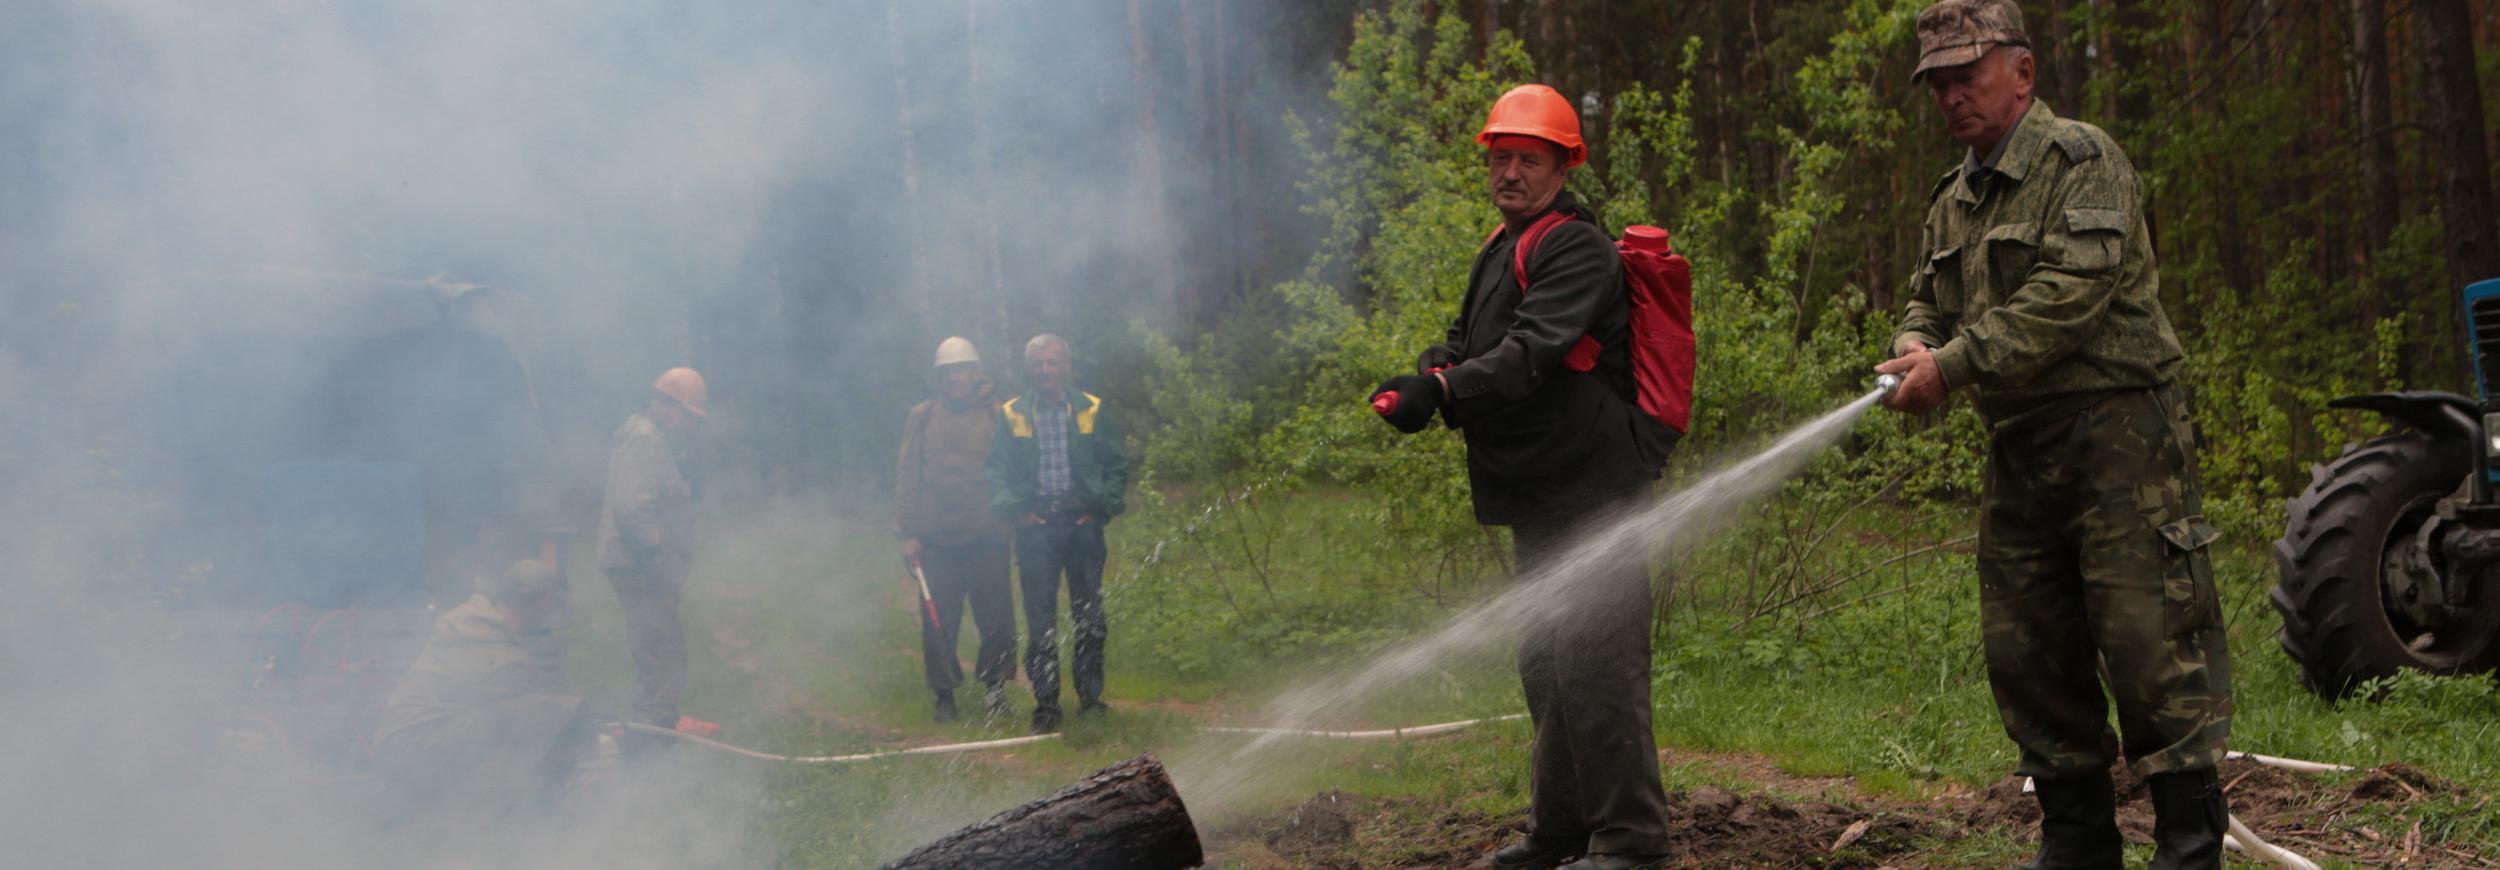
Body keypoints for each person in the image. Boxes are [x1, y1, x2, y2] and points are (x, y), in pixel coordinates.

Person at [1875, 3, 2233, 867]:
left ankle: (2189, 850)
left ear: (2022, 71)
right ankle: (2076, 845)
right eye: (1938, 83)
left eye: (1968, 75)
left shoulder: (2083, 160)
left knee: (2150, 646)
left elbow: (2070, 295)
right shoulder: (1953, 197)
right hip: (2020, 445)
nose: (1951, 96)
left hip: (2119, 438)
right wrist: (1915, 342)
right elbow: (1928, 298)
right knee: (2030, 652)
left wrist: (1952, 366)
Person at [1372, 84, 1676, 870]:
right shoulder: (1501, 243)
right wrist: (1437, 366)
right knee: (1546, 665)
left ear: (1564, 165)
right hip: (1543, 490)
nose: (1510, 172)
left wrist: (1444, 391)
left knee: (1597, 665)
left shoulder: (1577, 249)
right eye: (1501, 157)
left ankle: (1632, 842)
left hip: (1595, 488)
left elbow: (1532, 351)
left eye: (1529, 160)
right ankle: (1561, 832)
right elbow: (1474, 338)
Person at [986, 334, 1129, 734]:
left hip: (1082, 526)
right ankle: (1046, 705)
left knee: (1090, 615)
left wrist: (1101, 508)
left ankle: (1091, 701)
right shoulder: (1013, 413)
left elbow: (1117, 465)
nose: (1046, 370)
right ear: (1029, 368)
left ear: (1066, 366)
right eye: (1039, 364)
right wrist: (1016, 512)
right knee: (1040, 618)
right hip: (1037, 528)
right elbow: (995, 470)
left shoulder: (1092, 408)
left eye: (1052, 363)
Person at [373, 559, 590, 812]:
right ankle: (501, 807)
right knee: (537, 713)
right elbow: (520, 732)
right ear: (544, 603)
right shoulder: (506, 661)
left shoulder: (467, 619)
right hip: (418, 754)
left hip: (394, 745)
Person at [896, 337, 1018, 723]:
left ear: (975, 372)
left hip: (988, 536)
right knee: (938, 622)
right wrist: (908, 533)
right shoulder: (922, 417)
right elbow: (907, 476)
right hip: (936, 540)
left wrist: (1014, 520)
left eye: (961, 370)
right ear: (938, 377)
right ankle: (944, 696)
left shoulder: (997, 415)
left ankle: (996, 691)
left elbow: (1014, 470)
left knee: (996, 619)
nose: (954, 379)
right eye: (947, 372)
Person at [595, 366, 714, 737]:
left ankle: (655, 722)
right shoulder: (644, 439)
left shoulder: (650, 439)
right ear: (667, 404)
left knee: (658, 648)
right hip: (640, 566)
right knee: (662, 653)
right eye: (686, 414)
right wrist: (655, 558)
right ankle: (650, 734)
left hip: (641, 565)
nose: (687, 424)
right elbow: (632, 507)